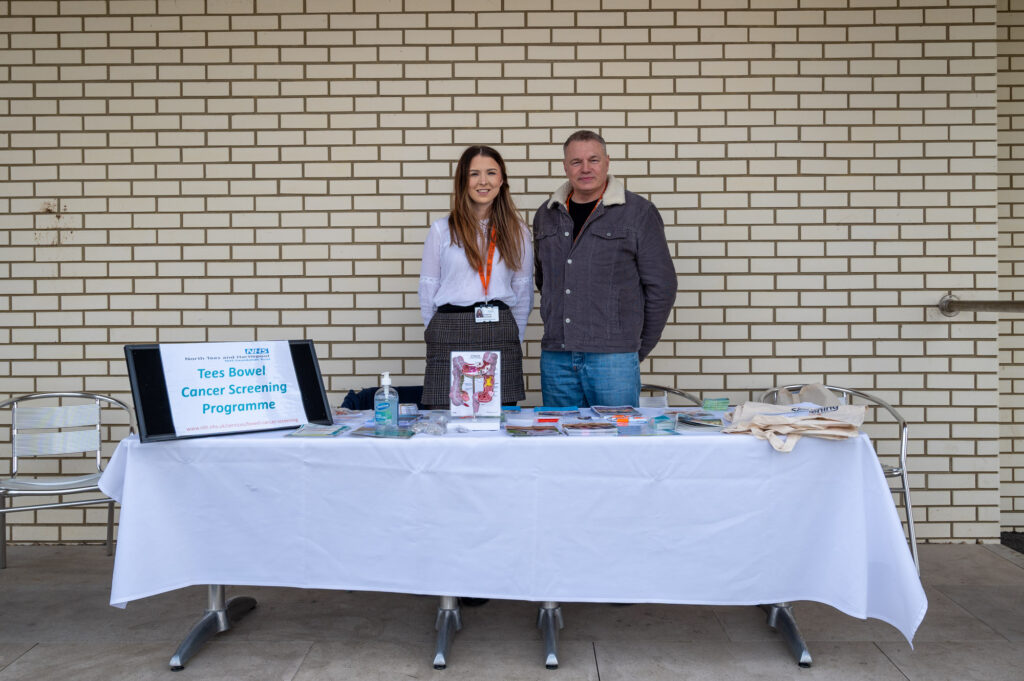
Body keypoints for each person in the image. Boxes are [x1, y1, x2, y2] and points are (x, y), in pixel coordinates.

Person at [533, 130, 676, 408]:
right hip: (557, 358)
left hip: (613, 359)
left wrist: (635, 347)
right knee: (559, 436)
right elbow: (545, 280)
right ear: (565, 166)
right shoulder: (547, 214)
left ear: (607, 162)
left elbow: (662, 286)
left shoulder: (638, 212)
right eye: (576, 162)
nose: (585, 168)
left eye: (594, 160)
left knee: (619, 435)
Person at [418, 145, 534, 411]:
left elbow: (523, 290)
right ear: (463, 181)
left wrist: (513, 337)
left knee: (497, 418)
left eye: (491, 173)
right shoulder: (442, 230)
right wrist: (434, 333)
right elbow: (428, 288)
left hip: (499, 330)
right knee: (445, 416)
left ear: (501, 180)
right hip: (449, 330)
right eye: (474, 174)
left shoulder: (517, 231)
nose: (483, 181)